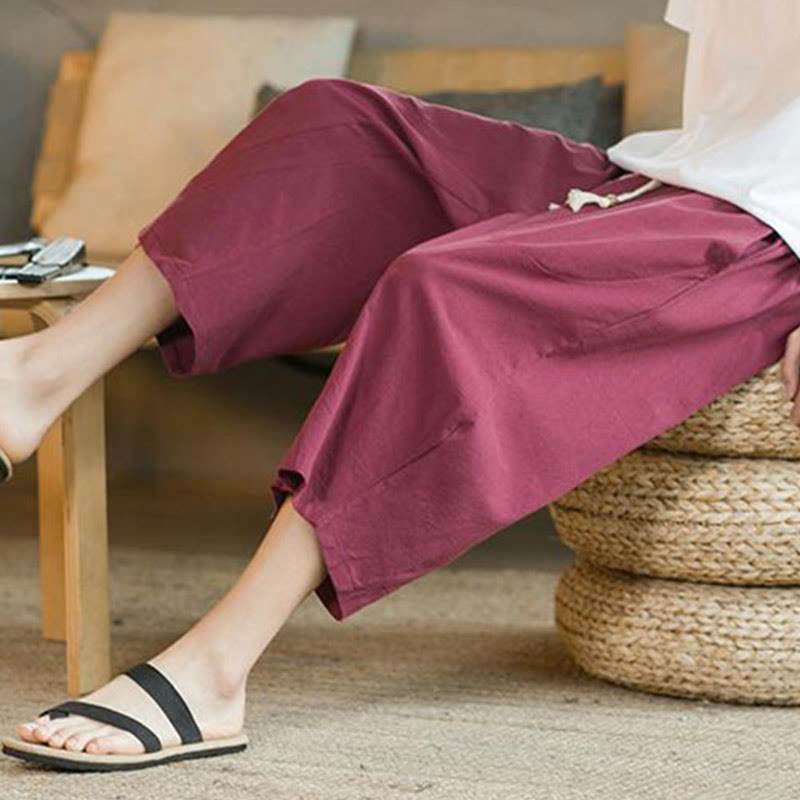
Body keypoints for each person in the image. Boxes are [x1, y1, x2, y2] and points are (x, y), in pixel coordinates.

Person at [4, 0, 800, 772]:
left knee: (447, 290)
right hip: (678, 180)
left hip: (771, 244)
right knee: (334, 127)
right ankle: (34, 379)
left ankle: (215, 669)